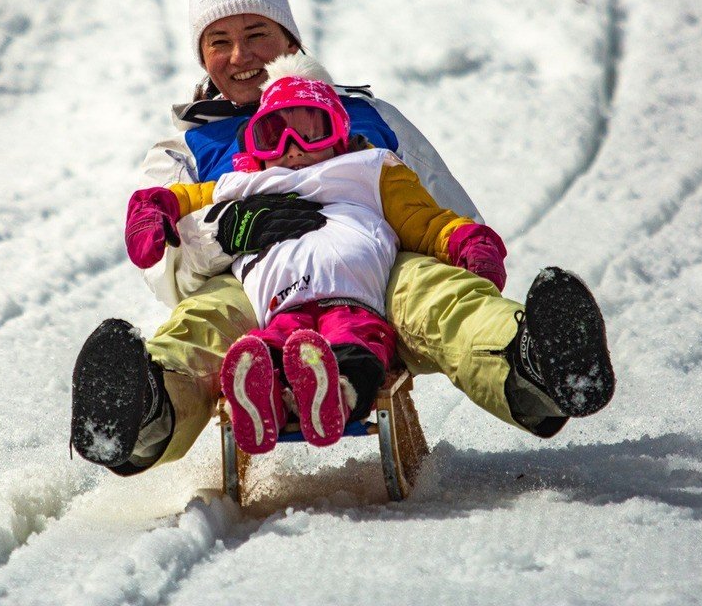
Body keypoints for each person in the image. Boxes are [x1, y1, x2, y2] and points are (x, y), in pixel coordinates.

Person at [70, 0, 614, 476]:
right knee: (201, 327)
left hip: (375, 270)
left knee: (439, 294)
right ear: (202, 54)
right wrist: (222, 236)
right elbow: (164, 273)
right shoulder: (185, 148)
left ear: (289, 39)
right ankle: (145, 414)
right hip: (251, 283)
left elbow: (445, 209)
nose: (240, 57)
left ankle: (531, 369)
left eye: (257, 33)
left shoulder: (367, 117)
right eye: (219, 42)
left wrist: (452, 244)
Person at [127, 60, 513, 456]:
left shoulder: (365, 168)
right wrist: (154, 212)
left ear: (341, 135)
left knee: (358, 341)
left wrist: (468, 240)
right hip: (277, 303)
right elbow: (183, 197)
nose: (292, 149)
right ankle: (226, 397)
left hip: (358, 296)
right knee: (266, 345)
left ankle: (340, 392)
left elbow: (426, 219)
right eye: (272, 136)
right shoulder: (245, 180)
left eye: (312, 132)